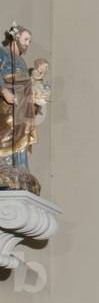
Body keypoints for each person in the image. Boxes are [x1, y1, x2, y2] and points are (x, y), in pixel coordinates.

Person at [0, 23, 46, 193]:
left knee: (24, 128)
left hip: (22, 104)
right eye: (26, 39)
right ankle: (4, 163)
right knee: (9, 127)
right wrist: (4, 91)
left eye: (29, 41)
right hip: (7, 102)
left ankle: (20, 165)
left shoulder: (21, 61)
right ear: (15, 37)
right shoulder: (2, 53)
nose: (27, 44)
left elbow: (26, 82)